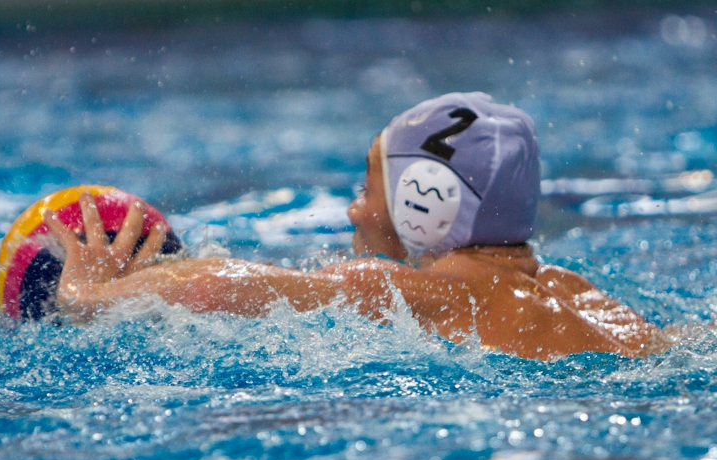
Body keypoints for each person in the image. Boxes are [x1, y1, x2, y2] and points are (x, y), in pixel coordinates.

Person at [41, 92, 665, 360]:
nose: (354, 210)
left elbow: (213, 289)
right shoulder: (582, 296)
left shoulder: (423, 296)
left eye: (369, 185)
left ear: (427, 203)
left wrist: (88, 295)